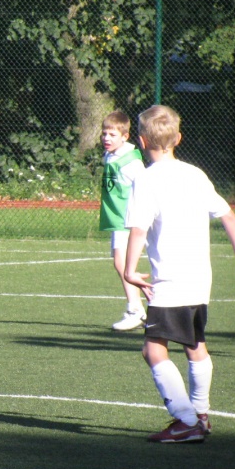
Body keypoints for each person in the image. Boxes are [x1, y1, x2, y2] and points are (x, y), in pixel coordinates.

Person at [124, 105, 235, 443]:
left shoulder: (146, 178)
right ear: (179, 138)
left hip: (170, 280)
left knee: (153, 350)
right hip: (199, 278)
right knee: (195, 344)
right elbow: (227, 215)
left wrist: (129, 269)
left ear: (142, 141)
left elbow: (138, 229)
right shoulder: (196, 174)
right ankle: (200, 414)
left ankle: (186, 421)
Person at [98, 110, 147, 331]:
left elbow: (145, 187)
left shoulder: (131, 162)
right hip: (118, 218)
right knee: (122, 264)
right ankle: (143, 309)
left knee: (122, 263)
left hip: (128, 219)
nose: (106, 138)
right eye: (104, 133)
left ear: (125, 137)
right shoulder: (111, 156)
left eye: (112, 135)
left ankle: (136, 310)